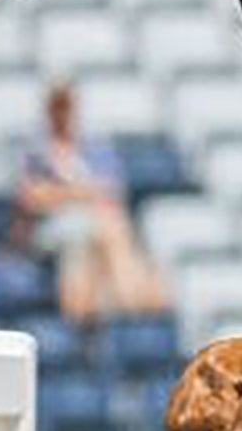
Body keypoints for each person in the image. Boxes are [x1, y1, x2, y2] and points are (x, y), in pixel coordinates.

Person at [10, 83, 169, 328]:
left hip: (90, 224)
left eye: (67, 109)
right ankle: (129, 300)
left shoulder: (93, 149)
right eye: (58, 109)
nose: (62, 115)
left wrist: (65, 193)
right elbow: (33, 199)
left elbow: (111, 191)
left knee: (102, 231)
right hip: (54, 227)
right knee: (101, 229)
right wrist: (82, 193)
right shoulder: (39, 152)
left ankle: (100, 308)